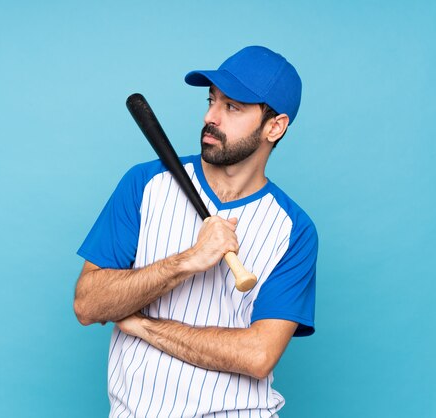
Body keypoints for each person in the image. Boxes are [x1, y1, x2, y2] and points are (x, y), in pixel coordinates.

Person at [74, 45, 318, 417]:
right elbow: (88, 305)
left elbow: (257, 356)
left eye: (232, 106)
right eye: (211, 100)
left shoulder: (294, 230)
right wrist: (187, 261)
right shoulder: (145, 184)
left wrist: (145, 327)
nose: (210, 117)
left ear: (275, 126)